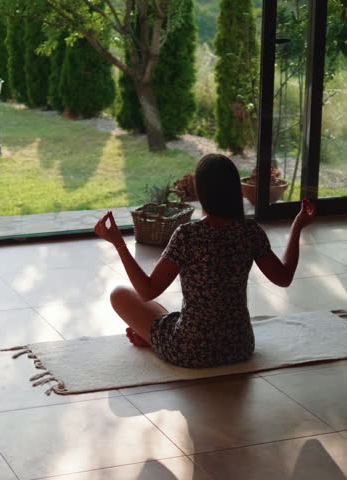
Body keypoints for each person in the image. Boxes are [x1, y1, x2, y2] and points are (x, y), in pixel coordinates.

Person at [94, 153, 316, 368]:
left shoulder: (188, 234)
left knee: (120, 294)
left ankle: (153, 340)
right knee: (166, 315)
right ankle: (152, 337)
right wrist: (297, 225)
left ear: (202, 192)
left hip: (190, 350)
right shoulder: (250, 231)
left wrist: (118, 243)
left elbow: (147, 291)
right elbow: (284, 278)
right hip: (239, 346)